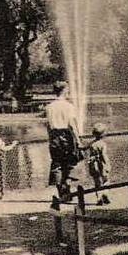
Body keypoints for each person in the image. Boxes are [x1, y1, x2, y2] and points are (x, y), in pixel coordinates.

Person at [42, 80, 82, 209]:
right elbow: (71, 125)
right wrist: (78, 140)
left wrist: (51, 139)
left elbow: (48, 126)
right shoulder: (68, 106)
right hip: (66, 136)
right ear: (64, 90)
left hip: (54, 137)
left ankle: (61, 192)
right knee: (70, 162)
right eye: (68, 89)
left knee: (57, 164)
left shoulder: (49, 107)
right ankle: (68, 186)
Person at [86, 123, 111, 205]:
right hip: (102, 164)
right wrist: (107, 164)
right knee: (106, 180)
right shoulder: (103, 144)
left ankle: (99, 198)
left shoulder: (92, 144)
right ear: (103, 134)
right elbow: (103, 155)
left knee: (97, 182)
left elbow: (85, 149)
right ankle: (105, 194)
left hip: (93, 164)